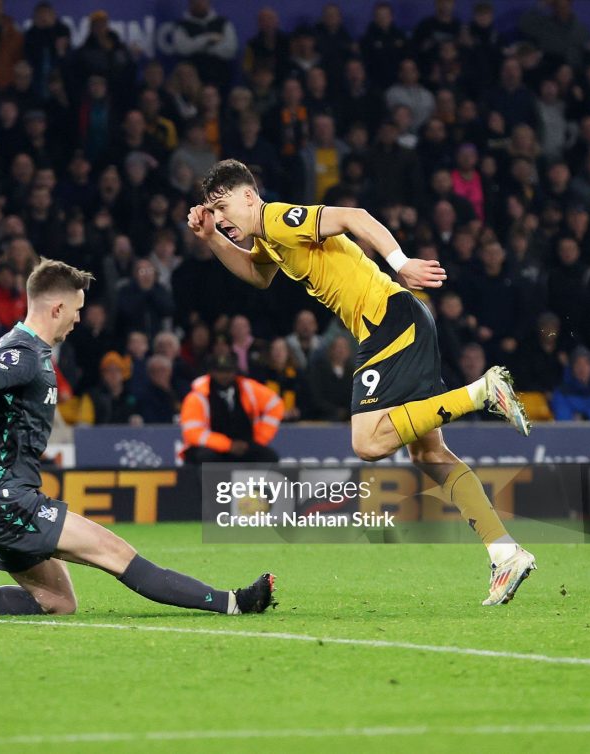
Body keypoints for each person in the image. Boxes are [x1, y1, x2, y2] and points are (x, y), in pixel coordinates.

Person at [188, 158, 535, 606]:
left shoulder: (277, 218)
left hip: (388, 321)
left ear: (250, 196)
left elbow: (354, 217)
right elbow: (257, 275)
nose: (218, 217)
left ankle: (481, 391)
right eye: (210, 210)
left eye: (222, 206)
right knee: (429, 453)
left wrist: (401, 262)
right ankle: (505, 553)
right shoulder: (268, 239)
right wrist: (212, 238)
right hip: (398, 321)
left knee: (368, 443)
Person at [0, 258, 275, 618]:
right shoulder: (21, 351)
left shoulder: (19, 346)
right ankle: (234, 602)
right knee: (116, 553)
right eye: (76, 310)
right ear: (56, 308)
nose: (77, 319)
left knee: (57, 602)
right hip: (6, 500)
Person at [180, 353, 282, 463]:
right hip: (213, 448)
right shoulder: (197, 397)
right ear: (211, 373)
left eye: (228, 371)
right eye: (220, 372)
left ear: (235, 372)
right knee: (204, 457)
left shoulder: (248, 389)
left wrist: (259, 439)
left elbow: (275, 405)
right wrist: (228, 445)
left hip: (244, 445)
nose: (224, 376)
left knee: (268, 457)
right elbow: (193, 433)